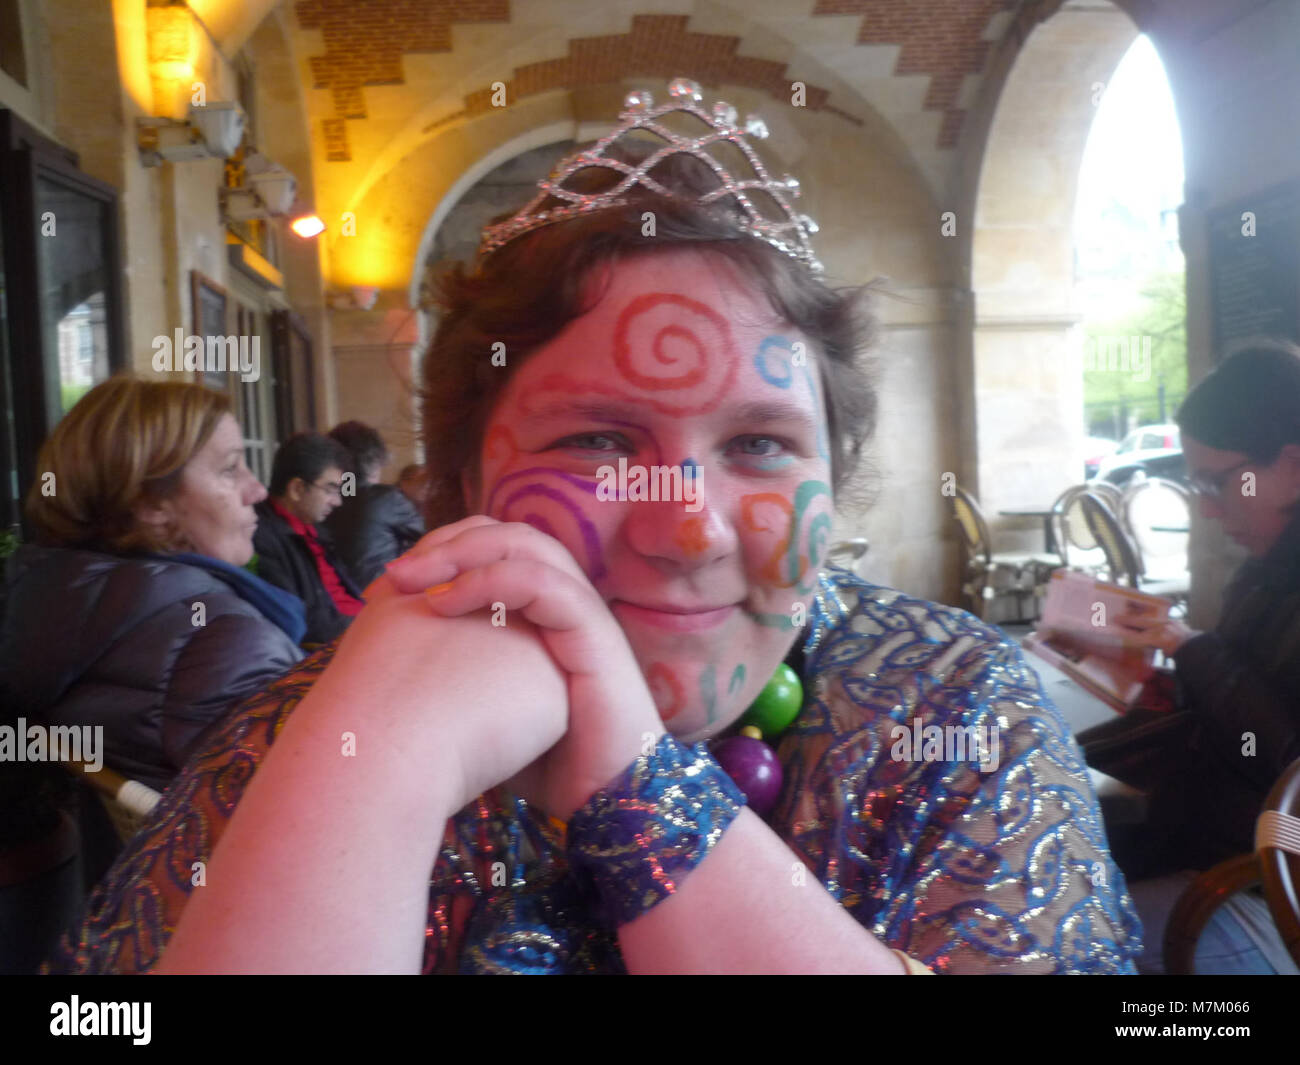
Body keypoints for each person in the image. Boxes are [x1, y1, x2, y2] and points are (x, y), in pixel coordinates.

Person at [53, 82, 1140, 974]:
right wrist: (376, 765)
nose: (692, 532)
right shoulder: (305, 731)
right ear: (467, 481)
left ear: (833, 476)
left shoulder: (954, 703)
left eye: (761, 444)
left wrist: (634, 790)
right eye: (598, 444)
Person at [1081, 341, 1300, 973]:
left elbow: (1288, 760)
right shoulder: (1264, 572)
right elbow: (1247, 703)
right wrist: (1165, 682)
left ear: (1292, 465)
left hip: (1268, 896)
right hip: (1214, 857)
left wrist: (1191, 647)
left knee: (1049, 943)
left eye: (1218, 480)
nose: (1206, 505)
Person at [0, 377, 304, 794]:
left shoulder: (47, 599)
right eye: (230, 469)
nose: (257, 489)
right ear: (149, 503)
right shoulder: (227, 644)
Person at [252, 432, 365, 646]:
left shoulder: (316, 531)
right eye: (330, 490)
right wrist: (368, 628)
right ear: (297, 489)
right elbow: (302, 624)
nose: (338, 502)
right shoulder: (262, 538)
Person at [323, 421, 425, 587]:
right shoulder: (385, 499)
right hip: (380, 600)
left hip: (337, 603)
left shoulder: (325, 502)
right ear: (376, 460)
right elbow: (430, 535)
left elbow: (351, 492)